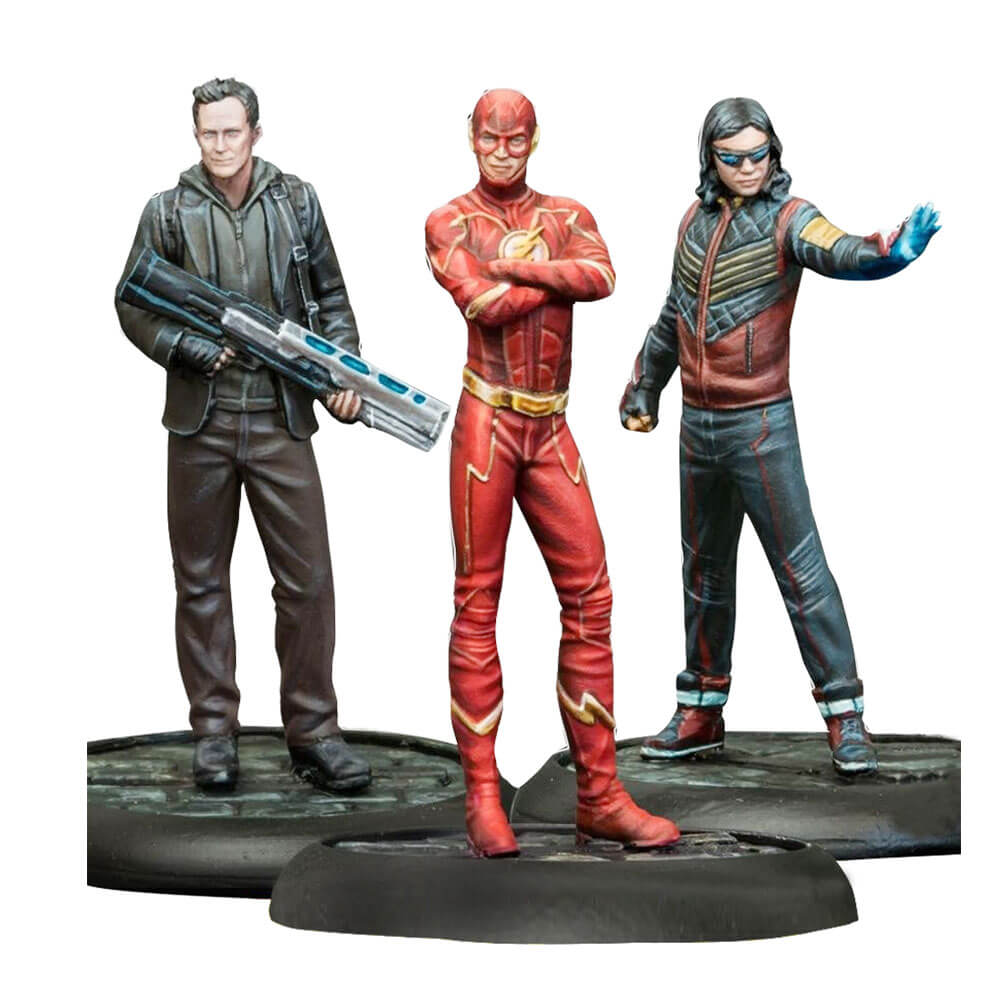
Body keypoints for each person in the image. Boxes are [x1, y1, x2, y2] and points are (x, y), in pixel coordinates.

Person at [620, 97, 939, 776]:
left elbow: (840, 250)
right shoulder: (693, 222)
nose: (746, 168)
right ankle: (701, 710)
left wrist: (888, 252)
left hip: (760, 425)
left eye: (758, 155)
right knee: (703, 572)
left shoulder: (791, 219)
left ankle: (846, 716)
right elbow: (675, 312)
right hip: (697, 428)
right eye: (731, 157)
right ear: (710, 159)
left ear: (774, 153)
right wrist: (645, 383)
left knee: (801, 570)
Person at [426, 89, 680, 856]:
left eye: (516, 139)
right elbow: (482, 305)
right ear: (470, 137)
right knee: (478, 602)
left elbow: (603, 277)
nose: (502, 151)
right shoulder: (448, 220)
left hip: (550, 423)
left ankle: (599, 795)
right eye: (490, 138)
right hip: (489, 421)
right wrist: (544, 272)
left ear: (535, 140)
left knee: (592, 597)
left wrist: (513, 266)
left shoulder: (567, 212)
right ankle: (482, 798)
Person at [116, 78, 371, 792]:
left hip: (280, 415)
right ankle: (213, 734)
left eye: (232, 132)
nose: (221, 145)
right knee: (200, 581)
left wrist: (342, 373)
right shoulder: (168, 212)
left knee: (308, 581)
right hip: (201, 420)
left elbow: (331, 296)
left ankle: (314, 732)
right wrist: (188, 347)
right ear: (196, 134)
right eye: (209, 133)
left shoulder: (296, 202)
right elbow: (132, 301)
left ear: (256, 131)